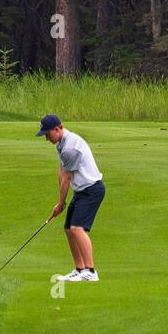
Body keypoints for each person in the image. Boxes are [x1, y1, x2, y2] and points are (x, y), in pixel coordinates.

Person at [36, 114, 105, 282]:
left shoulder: (70, 148)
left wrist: (61, 203)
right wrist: (59, 203)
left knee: (77, 228)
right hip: (81, 191)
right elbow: (61, 172)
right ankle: (79, 269)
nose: (47, 138)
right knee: (68, 228)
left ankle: (90, 271)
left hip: (91, 190)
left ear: (58, 129)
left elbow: (66, 178)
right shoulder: (61, 144)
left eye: (47, 134)